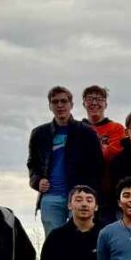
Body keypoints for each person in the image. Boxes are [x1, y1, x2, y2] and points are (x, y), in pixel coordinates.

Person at [27, 86, 105, 234]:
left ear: (71, 105)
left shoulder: (86, 132)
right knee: (54, 244)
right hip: (50, 197)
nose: (60, 105)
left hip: (78, 196)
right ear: (50, 106)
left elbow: (97, 166)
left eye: (64, 101)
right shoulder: (39, 133)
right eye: (55, 102)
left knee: (81, 240)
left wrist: (89, 195)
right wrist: (37, 181)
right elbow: (33, 164)